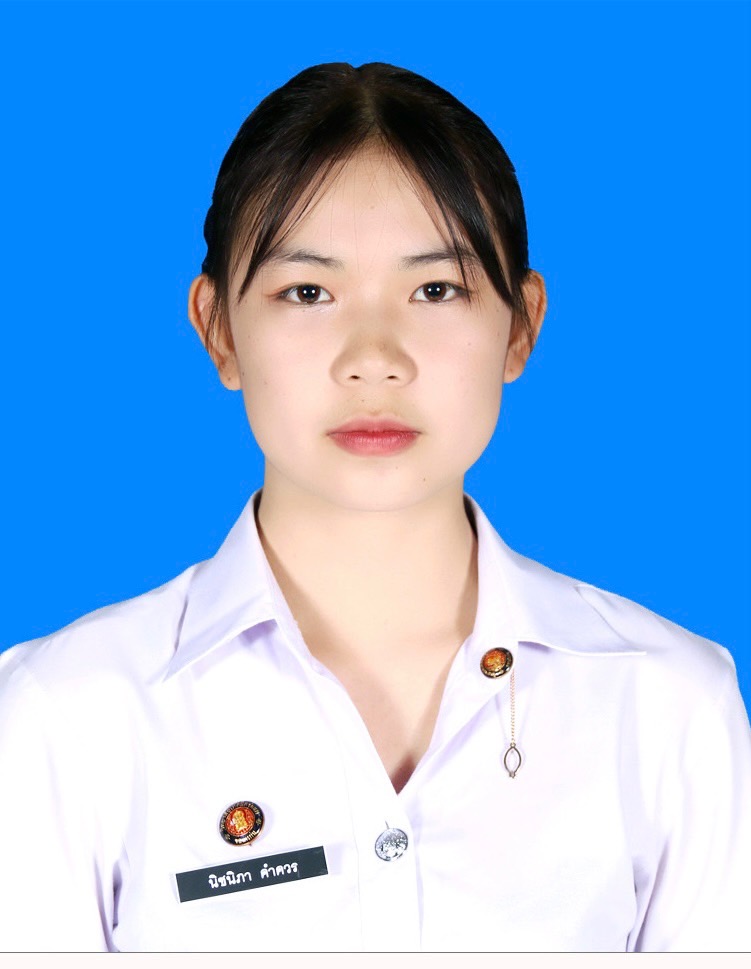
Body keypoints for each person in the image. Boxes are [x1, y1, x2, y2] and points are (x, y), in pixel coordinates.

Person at [0, 61, 749, 953]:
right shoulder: (65, 714)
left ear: (520, 325)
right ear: (218, 329)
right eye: (307, 292)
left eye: (435, 289)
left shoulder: (666, 705)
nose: (373, 358)